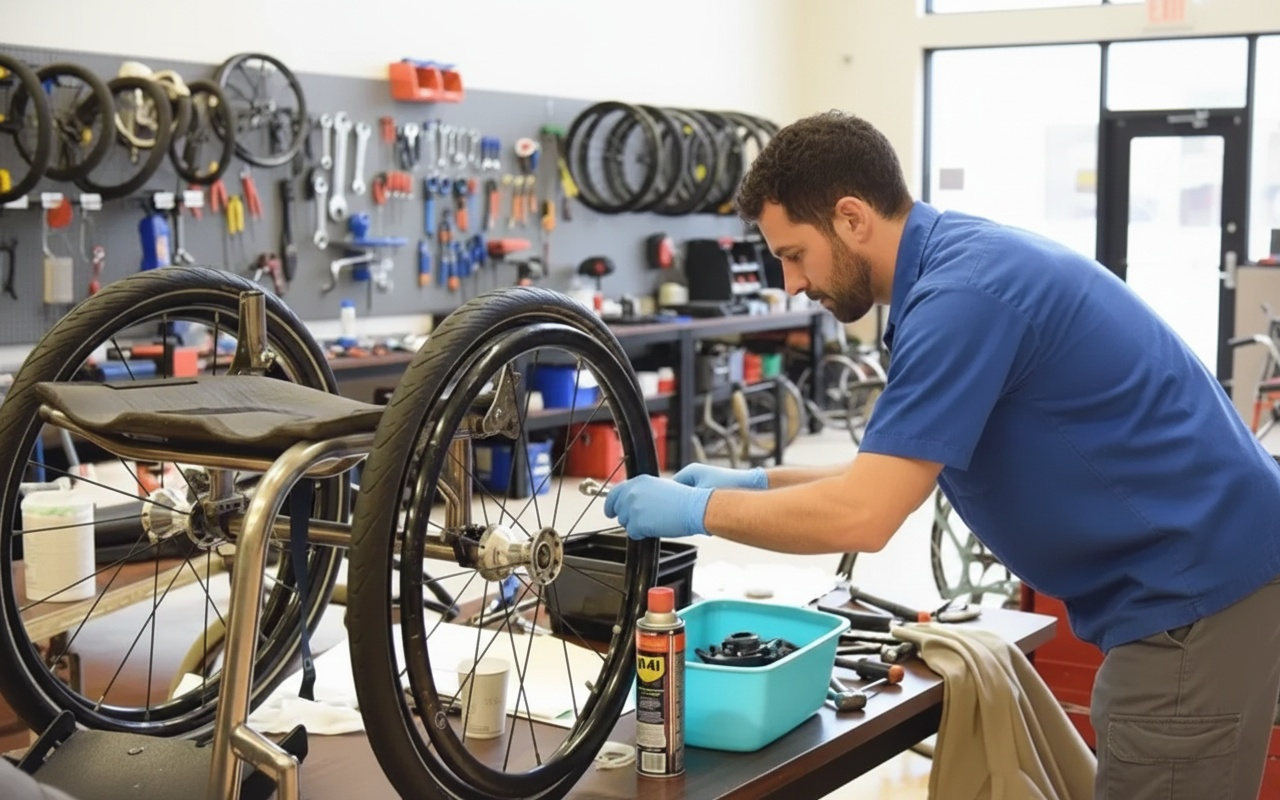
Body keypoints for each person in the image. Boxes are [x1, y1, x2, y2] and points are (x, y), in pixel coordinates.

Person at [602, 110, 1280, 798]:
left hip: (1195, 596)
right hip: (1198, 579)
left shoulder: (962, 298)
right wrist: (754, 480)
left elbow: (863, 517)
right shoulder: (952, 270)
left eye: (794, 253)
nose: (790, 284)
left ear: (852, 217)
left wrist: (700, 510)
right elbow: (892, 474)